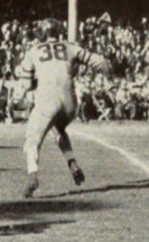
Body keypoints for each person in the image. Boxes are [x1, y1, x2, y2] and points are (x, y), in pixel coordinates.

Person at [18, 19, 111, 198]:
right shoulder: (70, 47)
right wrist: (109, 75)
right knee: (57, 129)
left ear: (42, 33)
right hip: (70, 102)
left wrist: (41, 78)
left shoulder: (33, 51)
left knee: (32, 139)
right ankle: (72, 162)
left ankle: (32, 176)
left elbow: (27, 85)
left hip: (48, 99)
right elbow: (99, 62)